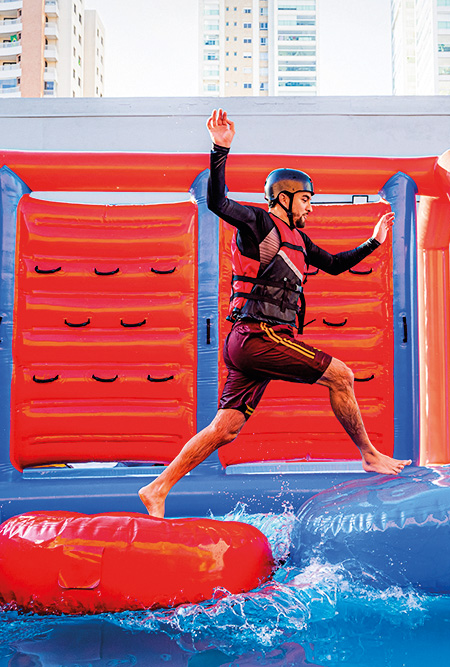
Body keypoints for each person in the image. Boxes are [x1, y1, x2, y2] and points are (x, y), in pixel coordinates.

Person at [138, 109, 411, 518]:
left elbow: (335, 264)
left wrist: (373, 242)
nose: (310, 208)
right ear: (282, 199)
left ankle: (158, 488)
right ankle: (369, 454)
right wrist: (220, 148)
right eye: (305, 200)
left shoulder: (300, 239)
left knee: (225, 428)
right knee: (342, 375)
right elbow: (216, 201)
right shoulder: (259, 225)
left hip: (251, 342)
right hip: (257, 335)